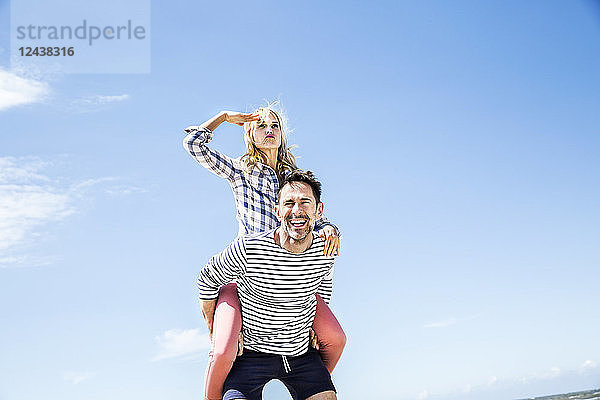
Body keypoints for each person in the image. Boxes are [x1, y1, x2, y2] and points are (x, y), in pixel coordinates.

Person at [183, 105, 346, 400]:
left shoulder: (291, 177)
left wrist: (330, 227)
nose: (269, 129)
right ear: (250, 135)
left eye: (275, 125)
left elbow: (309, 214)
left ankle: (307, 379)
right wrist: (223, 117)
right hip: (248, 272)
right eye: (261, 126)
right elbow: (193, 144)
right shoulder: (240, 171)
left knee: (334, 338)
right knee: (223, 348)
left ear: (282, 134)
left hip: (292, 272)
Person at [197, 170, 338, 400]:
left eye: (305, 202)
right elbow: (207, 278)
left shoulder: (325, 251)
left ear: (318, 210)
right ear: (277, 210)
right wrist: (215, 326)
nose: (296, 210)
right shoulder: (248, 249)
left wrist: (316, 326)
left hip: (300, 355)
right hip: (250, 356)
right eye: (289, 203)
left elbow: (323, 286)